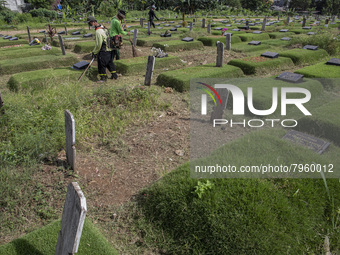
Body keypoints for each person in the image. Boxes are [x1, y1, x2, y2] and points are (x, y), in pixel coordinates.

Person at [87, 16, 118, 82]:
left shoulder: (98, 31)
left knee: (101, 65)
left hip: (103, 51)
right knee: (110, 63)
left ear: (94, 22)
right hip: (109, 50)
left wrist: (94, 52)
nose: (90, 25)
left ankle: (103, 78)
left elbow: (99, 44)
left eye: (90, 23)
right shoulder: (104, 28)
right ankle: (114, 75)